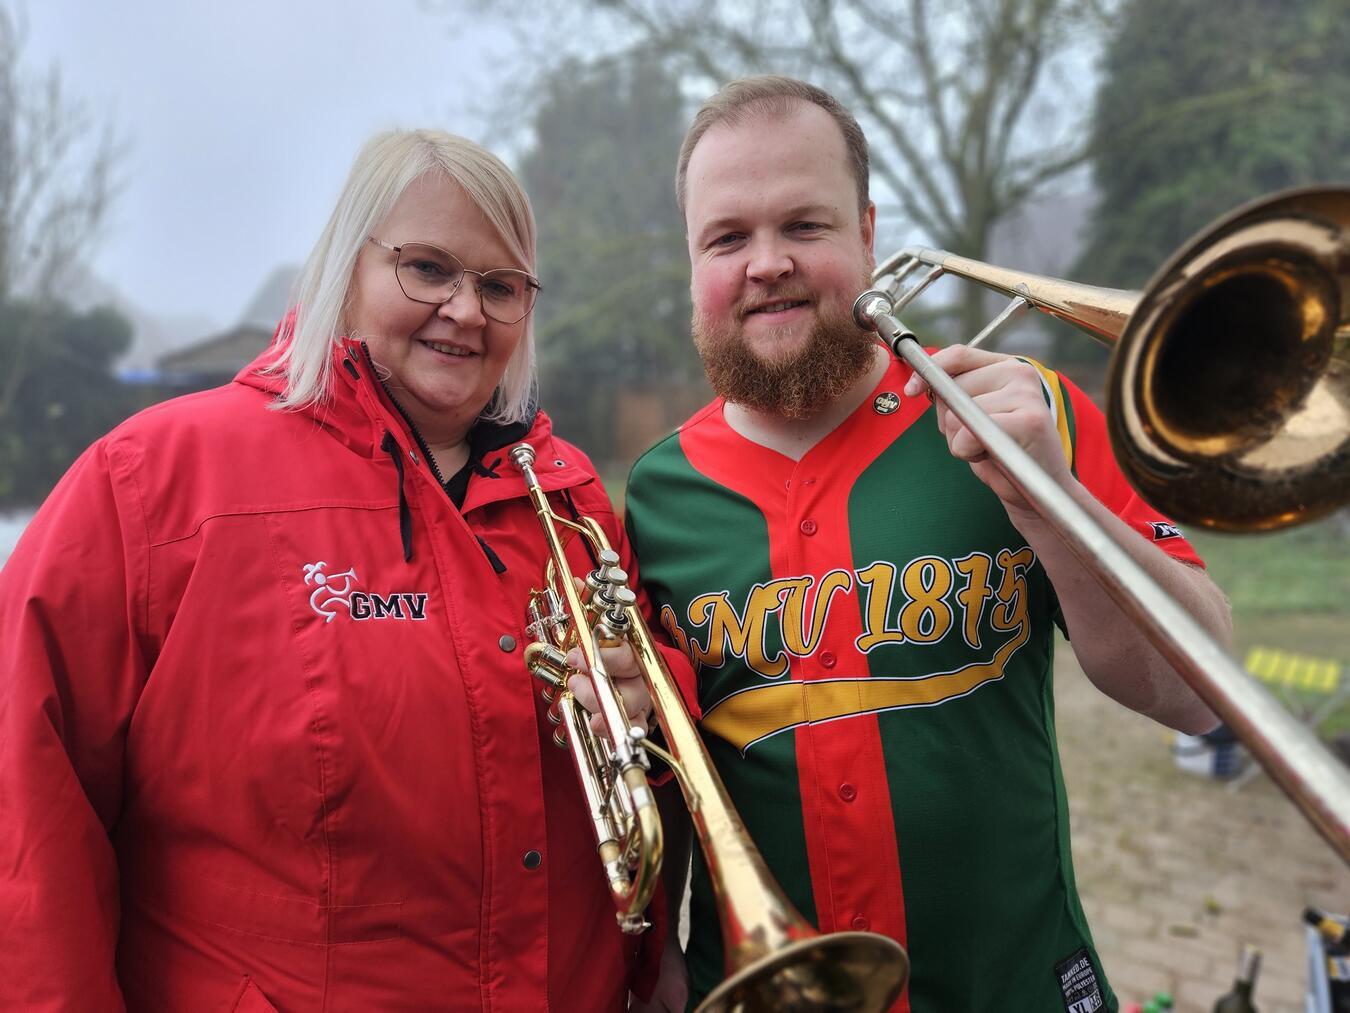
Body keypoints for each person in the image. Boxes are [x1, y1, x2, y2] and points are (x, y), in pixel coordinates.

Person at [0, 129, 672, 1011]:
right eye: (428, 268)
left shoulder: (575, 497)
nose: (467, 310)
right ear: (344, 268)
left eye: (501, 287)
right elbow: (25, 799)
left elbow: (645, 774)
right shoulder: (153, 479)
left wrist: (649, 701)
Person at [624, 77, 1232, 1012]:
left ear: (869, 232)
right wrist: (658, 952)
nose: (766, 263)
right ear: (690, 260)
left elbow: (1202, 697)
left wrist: (1051, 500)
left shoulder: (1021, 415)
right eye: (728, 237)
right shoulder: (652, 501)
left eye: (806, 225)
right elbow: (659, 781)